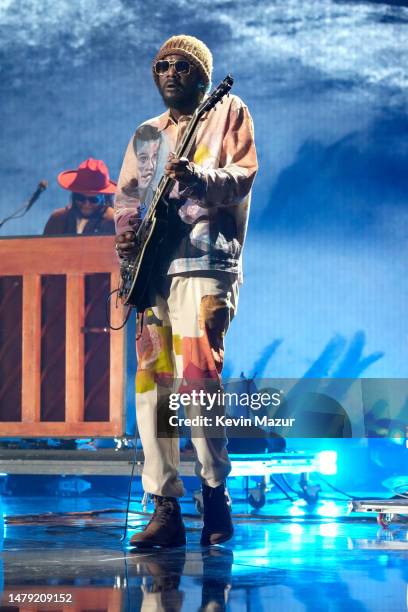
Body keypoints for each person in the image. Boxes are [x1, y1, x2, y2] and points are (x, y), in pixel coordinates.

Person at [115, 34, 258, 548]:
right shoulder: (145, 135)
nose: (169, 72)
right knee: (153, 387)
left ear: (202, 74)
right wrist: (127, 230)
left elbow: (243, 174)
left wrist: (199, 177)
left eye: (181, 65)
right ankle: (165, 507)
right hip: (153, 271)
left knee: (198, 382)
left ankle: (215, 493)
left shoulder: (228, 110)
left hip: (203, 262)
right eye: (161, 66)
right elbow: (126, 198)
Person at [43, 158, 116, 235]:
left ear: (105, 199)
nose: (86, 204)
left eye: (94, 200)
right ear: (74, 196)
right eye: (80, 198)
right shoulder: (57, 219)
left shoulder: (116, 223)